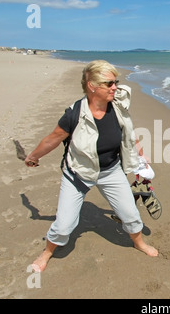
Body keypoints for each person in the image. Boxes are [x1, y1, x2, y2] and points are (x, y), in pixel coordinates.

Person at [25, 60, 158, 272]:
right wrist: (33, 156)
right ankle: (47, 252)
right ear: (92, 86)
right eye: (109, 83)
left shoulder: (117, 106)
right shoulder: (74, 114)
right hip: (78, 173)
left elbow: (129, 134)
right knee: (65, 224)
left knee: (130, 214)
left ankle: (139, 242)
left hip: (110, 171)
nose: (115, 87)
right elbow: (53, 138)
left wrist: (141, 157)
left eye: (116, 82)